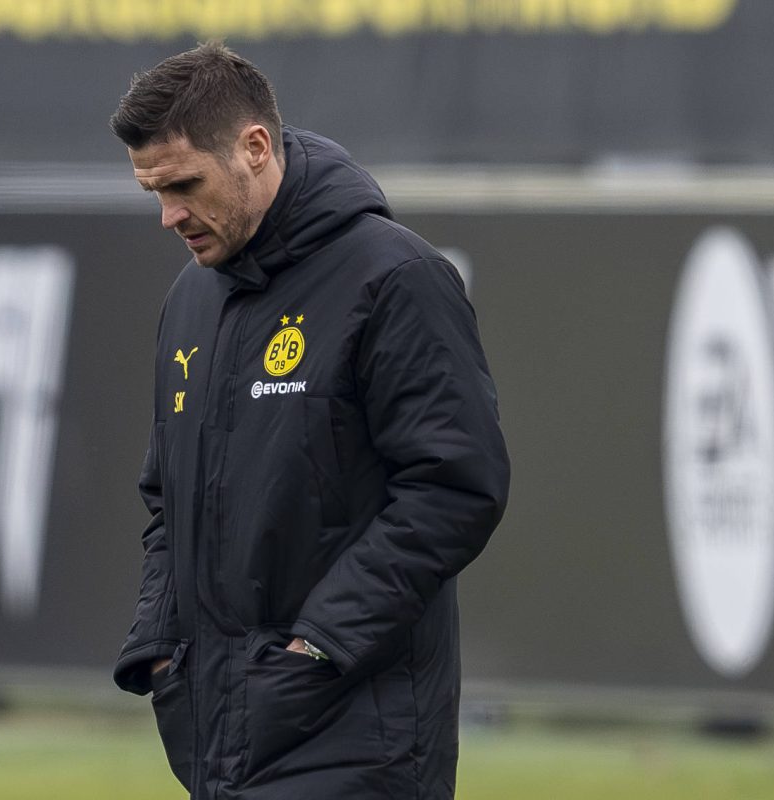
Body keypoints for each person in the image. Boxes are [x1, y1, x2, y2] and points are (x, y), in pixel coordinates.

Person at [110, 42, 510, 800]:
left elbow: (455, 488)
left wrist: (317, 648)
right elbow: (167, 499)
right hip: (218, 732)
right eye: (154, 191)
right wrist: (160, 650)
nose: (169, 216)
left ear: (255, 148)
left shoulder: (394, 278)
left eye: (185, 184)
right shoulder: (191, 299)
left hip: (358, 734)